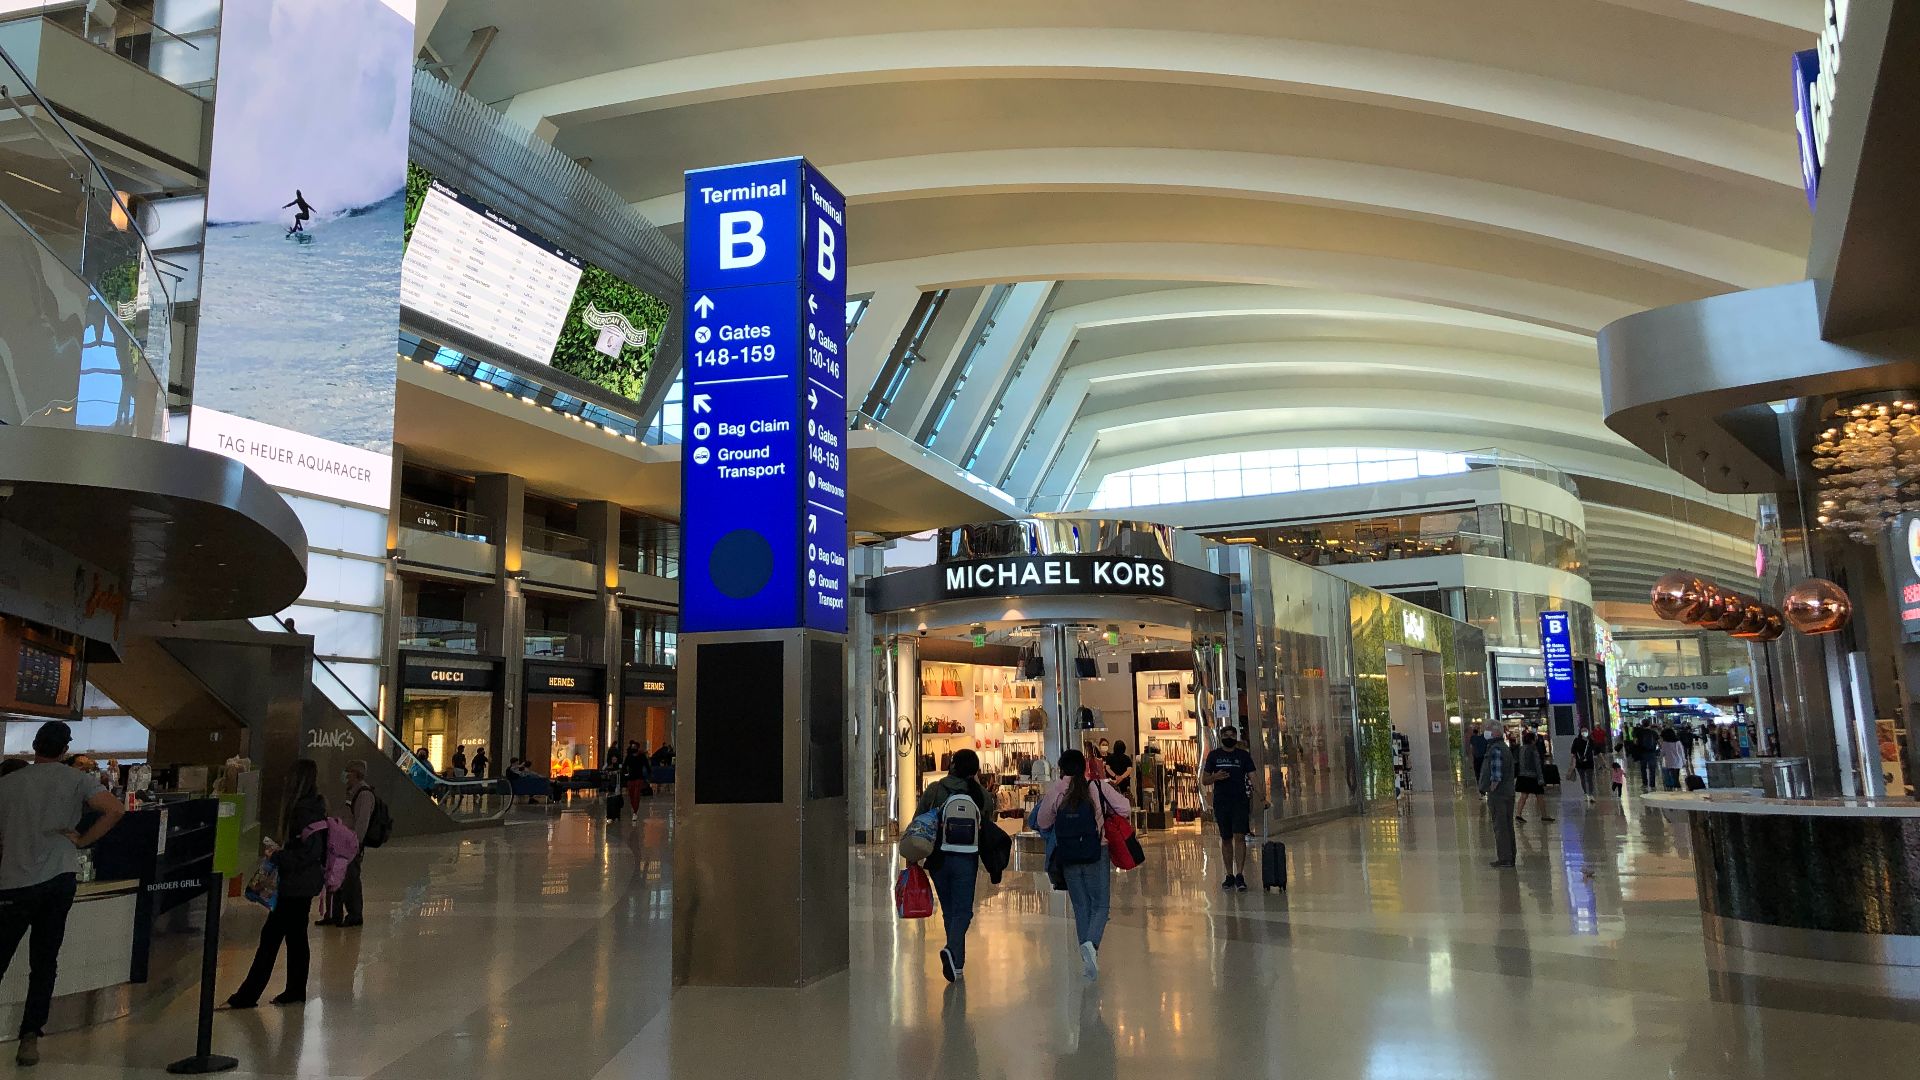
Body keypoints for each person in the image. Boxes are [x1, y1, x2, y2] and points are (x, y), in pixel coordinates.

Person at [0, 722, 126, 1065]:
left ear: (35, 747)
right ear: (64, 749)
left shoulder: (8, 783)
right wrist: (83, 840)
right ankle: (29, 1038)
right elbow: (116, 809)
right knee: (44, 962)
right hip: (58, 880)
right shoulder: (78, 780)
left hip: (12, 882)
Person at [227, 759, 328, 1009]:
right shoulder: (315, 807)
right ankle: (294, 990)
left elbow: (308, 852)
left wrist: (279, 856)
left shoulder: (302, 811)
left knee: (271, 936)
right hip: (305, 884)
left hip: (296, 885)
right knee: (296, 937)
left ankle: (247, 995)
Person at [1033, 749, 1130, 980]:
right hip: (1097, 851)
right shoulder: (1097, 787)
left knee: (1081, 907)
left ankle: (1087, 957)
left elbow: (1042, 821)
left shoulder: (1056, 791)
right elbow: (1124, 808)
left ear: (1061, 768)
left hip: (1068, 855)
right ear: (1085, 767)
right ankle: (1091, 946)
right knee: (1101, 905)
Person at [917, 749, 990, 983]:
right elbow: (988, 819)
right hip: (966, 859)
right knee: (964, 911)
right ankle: (952, 952)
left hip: (938, 859)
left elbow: (919, 820)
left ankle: (957, 965)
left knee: (950, 911)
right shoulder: (979, 794)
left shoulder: (935, 789)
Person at [319, 760, 374, 929]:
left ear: (356, 774)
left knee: (351, 879)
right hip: (340, 843)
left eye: (348, 772)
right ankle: (334, 914)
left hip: (350, 845)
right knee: (335, 878)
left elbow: (362, 822)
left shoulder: (364, 794)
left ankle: (355, 914)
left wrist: (355, 844)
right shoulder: (351, 791)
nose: (345, 776)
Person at [1201, 726, 1257, 891]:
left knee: (1239, 837)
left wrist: (1262, 796)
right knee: (1226, 838)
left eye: (1232, 735)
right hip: (1221, 802)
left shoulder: (1243, 756)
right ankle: (1229, 874)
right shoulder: (1214, 756)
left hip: (1240, 802)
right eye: (1226, 735)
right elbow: (1204, 780)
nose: (1229, 737)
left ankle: (1240, 874)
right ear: (1221, 736)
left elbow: (1253, 776)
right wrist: (1215, 777)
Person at [1477, 726, 1517, 868]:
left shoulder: (1495, 749)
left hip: (1499, 794)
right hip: (1508, 792)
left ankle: (1505, 858)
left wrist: (1491, 789)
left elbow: (1496, 775)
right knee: (1507, 825)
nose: (1485, 733)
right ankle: (1510, 856)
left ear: (1494, 733)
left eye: (1487, 730)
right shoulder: (1503, 747)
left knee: (1500, 826)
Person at [1513, 730, 1552, 822]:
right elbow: (1537, 764)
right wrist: (1541, 778)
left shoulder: (1520, 749)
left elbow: (1516, 761)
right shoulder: (1533, 749)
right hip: (1533, 776)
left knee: (1523, 795)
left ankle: (1518, 814)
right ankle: (1544, 815)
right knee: (1539, 796)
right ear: (1532, 740)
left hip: (1522, 776)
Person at [621, 740, 649, 819]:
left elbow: (646, 765)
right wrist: (625, 773)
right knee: (631, 794)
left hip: (639, 778)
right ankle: (634, 808)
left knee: (636, 795)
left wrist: (649, 775)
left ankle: (635, 811)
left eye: (634, 747)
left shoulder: (641, 756)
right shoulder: (629, 756)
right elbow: (624, 766)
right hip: (630, 778)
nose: (633, 748)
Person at [1569, 727, 1597, 803]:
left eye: (1585, 731)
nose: (1584, 732)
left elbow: (1596, 750)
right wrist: (1572, 763)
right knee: (1583, 778)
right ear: (1580, 732)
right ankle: (1585, 793)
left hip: (1589, 762)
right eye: (1583, 731)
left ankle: (1591, 794)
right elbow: (1573, 752)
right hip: (1580, 763)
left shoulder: (1591, 741)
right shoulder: (1577, 741)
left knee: (1590, 779)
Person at [1659, 725, 1686, 790]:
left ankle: (1673, 787)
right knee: (1676, 776)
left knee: (1671, 776)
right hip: (1678, 762)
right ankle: (1678, 788)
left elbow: (1662, 753)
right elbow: (1681, 752)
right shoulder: (1678, 742)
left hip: (1669, 762)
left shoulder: (1665, 743)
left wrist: (1660, 759)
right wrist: (1684, 761)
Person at [1635, 721, 1660, 791]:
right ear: (1649, 725)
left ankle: (1645, 784)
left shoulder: (1639, 732)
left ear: (1642, 725)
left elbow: (1635, 742)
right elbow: (1659, 743)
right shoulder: (1654, 733)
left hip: (1642, 753)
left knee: (1643, 769)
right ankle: (1652, 785)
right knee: (1652, 769)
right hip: (1652, 753)